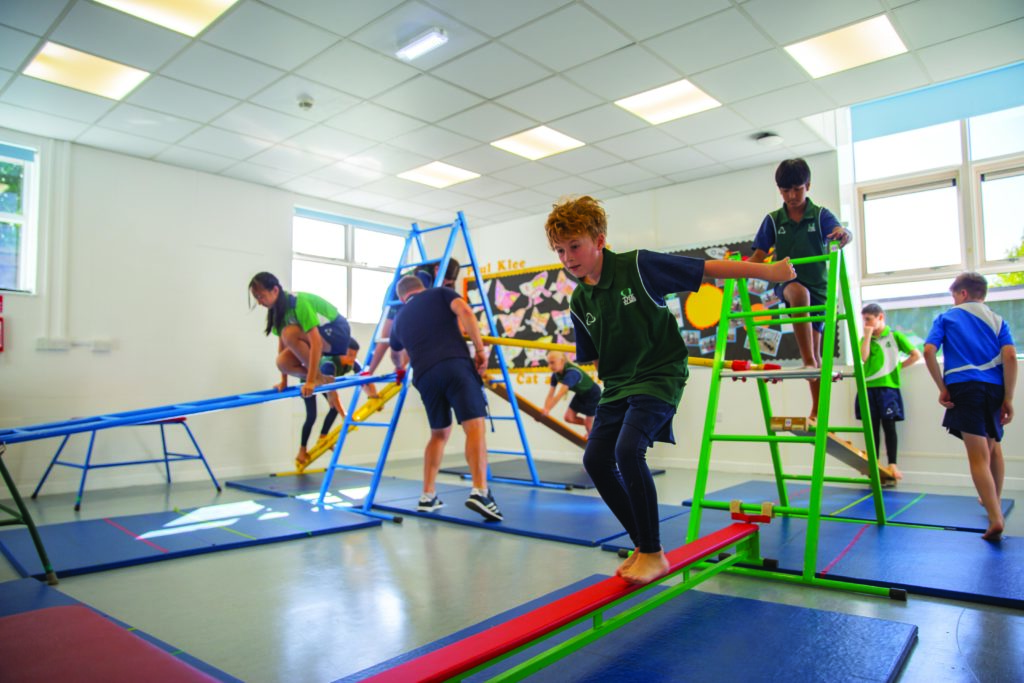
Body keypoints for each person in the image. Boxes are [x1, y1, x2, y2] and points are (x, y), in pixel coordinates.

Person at [545, 195, 796, 585]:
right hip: (618, 385)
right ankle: (646, 547)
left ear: (599, 240)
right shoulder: (579, 299)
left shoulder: (638, 266)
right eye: (560, 250)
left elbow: (707, 267)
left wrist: (768, 273)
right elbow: (594, 357)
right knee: (596, 460)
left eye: (574, 246)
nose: (567, 258)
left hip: (660, 375)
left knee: (629, 451)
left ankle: (651, 552)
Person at [389, 274, 502, 522]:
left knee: (439, 434)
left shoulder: (398, 320)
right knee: (474, 427)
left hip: (425, 377)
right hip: (454, 365)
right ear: (422, 288)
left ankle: (427, 496)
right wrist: (481, 350)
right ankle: (481, 492)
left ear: (401, 297)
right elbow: (466, 312)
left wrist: (400, 370)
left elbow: (396, 355)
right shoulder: (439, 293)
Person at [750, 159, 852, 420]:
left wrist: (842, 233)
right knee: (797, 293)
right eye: (785, 191)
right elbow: (760, 256)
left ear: (808, 186)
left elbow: (840, 231)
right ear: (779, 190)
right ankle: (807, 361)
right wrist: (733, 272)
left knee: (817, 358)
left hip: (819, 290)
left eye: (797, 189)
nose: (792, 196)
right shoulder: (773, 220)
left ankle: (818, 412)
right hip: (788, 283)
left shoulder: (820, 215)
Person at [923, 272, 1016, 542]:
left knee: (978, 457)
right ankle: (994, 502)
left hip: (965, 386)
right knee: (994, 447)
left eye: (954, 295)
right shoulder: (998, 320)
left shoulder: (947, 317)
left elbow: (929, 351)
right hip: (995, 389)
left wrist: (942, 387)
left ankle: (995, 518)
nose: (953, 301)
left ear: (962, 293)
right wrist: (1008, 398)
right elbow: (1010, 356)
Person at [248, 272, 347, 416]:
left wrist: (311, 380)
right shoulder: (277, 312)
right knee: (282, 362)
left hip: (337, 332)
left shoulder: (298, 302)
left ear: (275, 290)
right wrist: (284, 381)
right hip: (320, 339)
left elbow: (316, 343)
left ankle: (319, 378)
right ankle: (326, 380)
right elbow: (282, 347)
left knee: (289, 333)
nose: (259, 302)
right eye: (256, 298)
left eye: (261, 296)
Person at [857, 303, 921, 481]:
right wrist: (868, 336)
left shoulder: (895, 336)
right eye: (864, 320)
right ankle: (874, 464)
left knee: (889, 426)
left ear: (880, 317)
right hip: (868, 387)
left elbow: (916, 354)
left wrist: (898, 367)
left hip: (888, 388)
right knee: (872, 428)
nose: (866, 324)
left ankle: (893, 464)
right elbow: (863, 357)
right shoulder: (865, 339)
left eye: (869, 320)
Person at [366, 259, 461, 376]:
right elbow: (421, 301)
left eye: (447, 282)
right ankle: (370, 371)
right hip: (398, 294)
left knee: (414, 336)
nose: (444, 283)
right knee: (387, 336)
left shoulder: (446, 283)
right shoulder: (424, 275)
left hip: (411, 299)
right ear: (436, 268)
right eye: (444, 281)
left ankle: (399, 368)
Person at [296, 338, 379, 468]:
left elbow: (365, 379)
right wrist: (344, 414)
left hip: (324, 382)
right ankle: (302, 450)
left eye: (355, 355)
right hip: (309, 382)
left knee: (334, 408)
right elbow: (332, 393)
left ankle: (323, 437)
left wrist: (373, 396)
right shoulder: (330, 364)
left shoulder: (353, 363)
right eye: (350, 354)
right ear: (340, 352)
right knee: (311, 416)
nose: (353, 358)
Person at [542, 351, 601, 437]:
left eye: (552, 363)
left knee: (589, 427)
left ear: (562, 361)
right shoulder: (555, 375)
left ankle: (592, 436)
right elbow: (551, 393)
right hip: (581, 394)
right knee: (569, 418)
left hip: (592, 394)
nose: (550, 366)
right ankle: (594, 426)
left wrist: (548, 409)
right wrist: (545, 408)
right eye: (549, 363)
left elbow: (560, 393)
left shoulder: (572, 373)